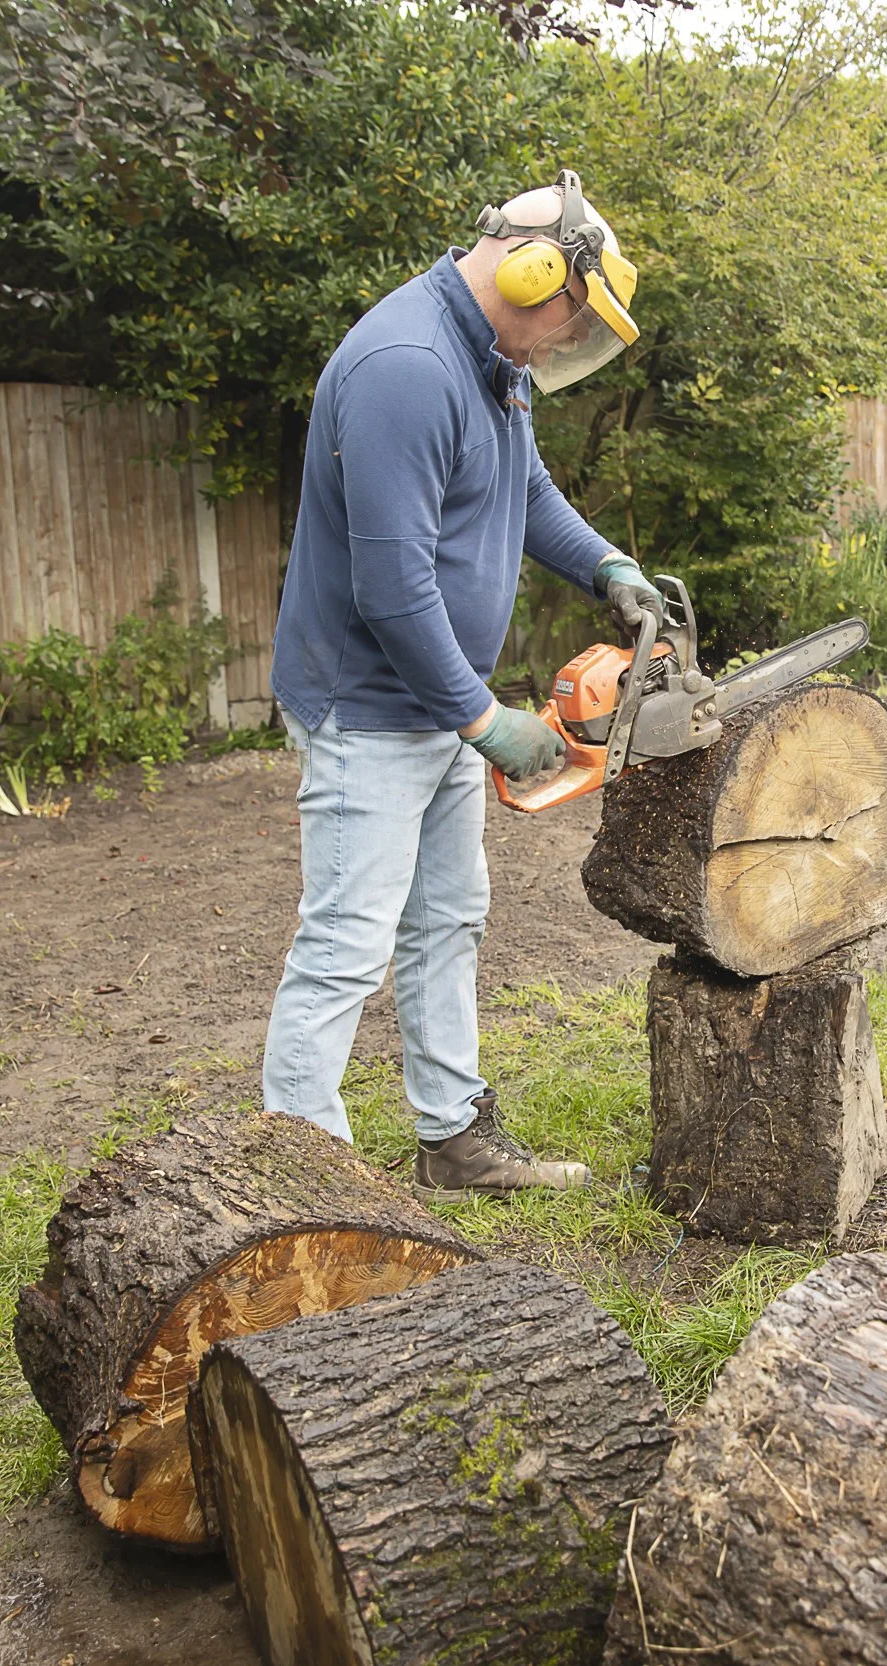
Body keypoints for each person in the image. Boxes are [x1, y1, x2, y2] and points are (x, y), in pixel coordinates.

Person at [260, 169, 662, 1196]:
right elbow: (391, 588)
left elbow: (520, 488)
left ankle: (454, 1139)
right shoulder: (406, 366)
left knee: (446, 919)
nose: (565, 346)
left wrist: (606, 563)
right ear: (537, 276)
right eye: (572, 324)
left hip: (437, 703)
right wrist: (483, 718)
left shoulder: (489, 360)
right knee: (348, 942)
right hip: (372, 708)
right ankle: (303, 1187)